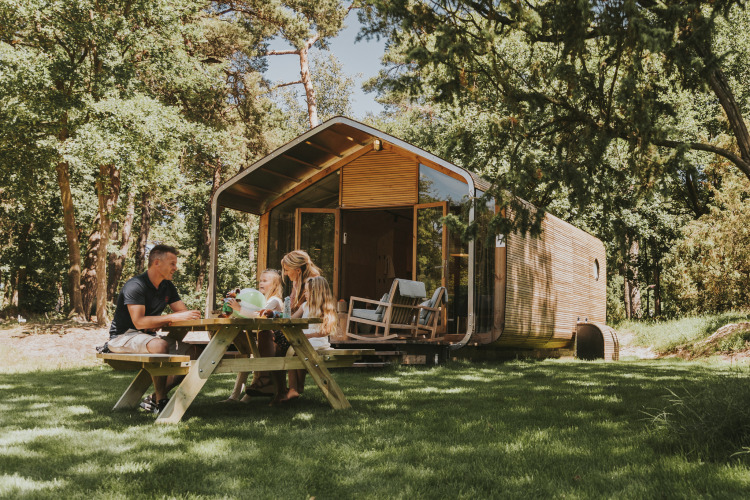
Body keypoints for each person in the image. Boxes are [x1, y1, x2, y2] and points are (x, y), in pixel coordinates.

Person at [108, 244, 201, 413]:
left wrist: (188, 315)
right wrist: (172, 317)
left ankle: (154, 398)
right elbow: (139, 322)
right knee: (160, 345)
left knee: (196, 351)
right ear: (157, 263)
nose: (175, 268)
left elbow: (184, 313)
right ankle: (161, 401)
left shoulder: (167, 286)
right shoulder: (136, 285)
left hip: (148, 338)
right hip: (123, 337)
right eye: (172, 263)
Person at [222, 269, 284, 402]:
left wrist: (239, 308)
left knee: (250, 354)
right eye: (260, 280)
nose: (261, 283)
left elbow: (260, 314)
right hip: (262, 339)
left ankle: (245, 394)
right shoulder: (262, 299)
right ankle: (235, 396)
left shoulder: (274, 300)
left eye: (265, 281)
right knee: (246, 353)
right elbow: (251, 311)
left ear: (274, 285)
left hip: (274, 341)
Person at [273, 276, 337, 405]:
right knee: (291, 351)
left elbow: (327, 330)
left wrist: (310, 335)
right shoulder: (304, 305)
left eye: (307, 291)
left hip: (317, 342)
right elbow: (291, 320)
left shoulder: (325, 308)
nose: (305, 293)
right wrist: (279, 314)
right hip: (303, 341)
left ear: (316, 292)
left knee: (295, 352)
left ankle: (295, 388)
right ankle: (295, 388)